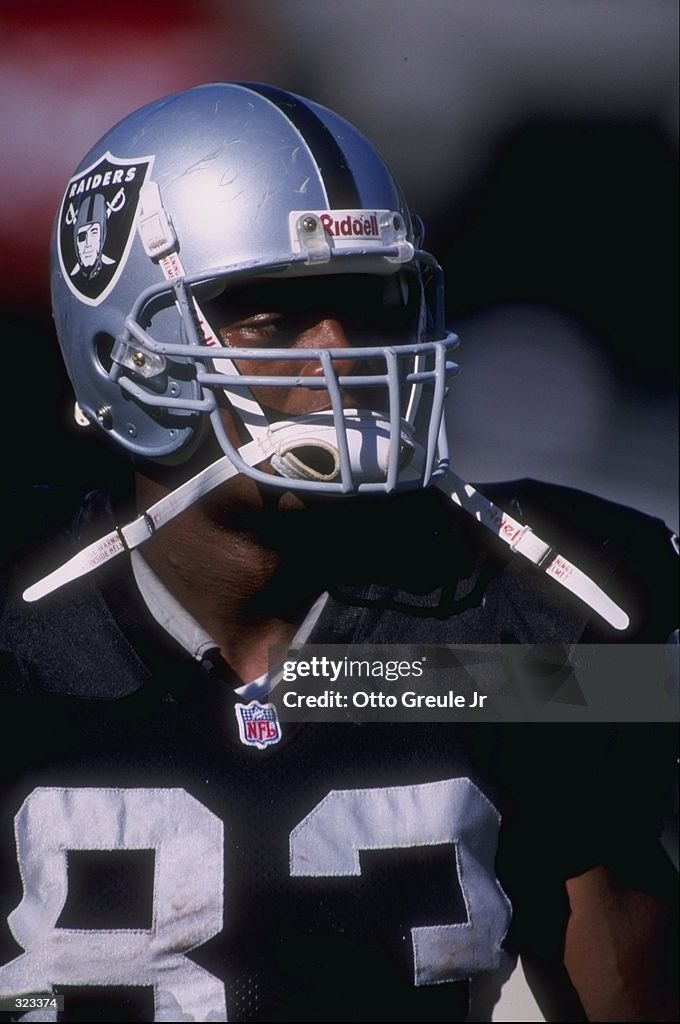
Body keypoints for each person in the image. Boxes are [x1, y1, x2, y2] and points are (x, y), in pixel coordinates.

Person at [0, 82, 677, 1023]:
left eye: (367, 302)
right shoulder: (23, 626)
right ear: (128, 349)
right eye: (273, 314)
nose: (341, 356)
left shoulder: (526, 608)